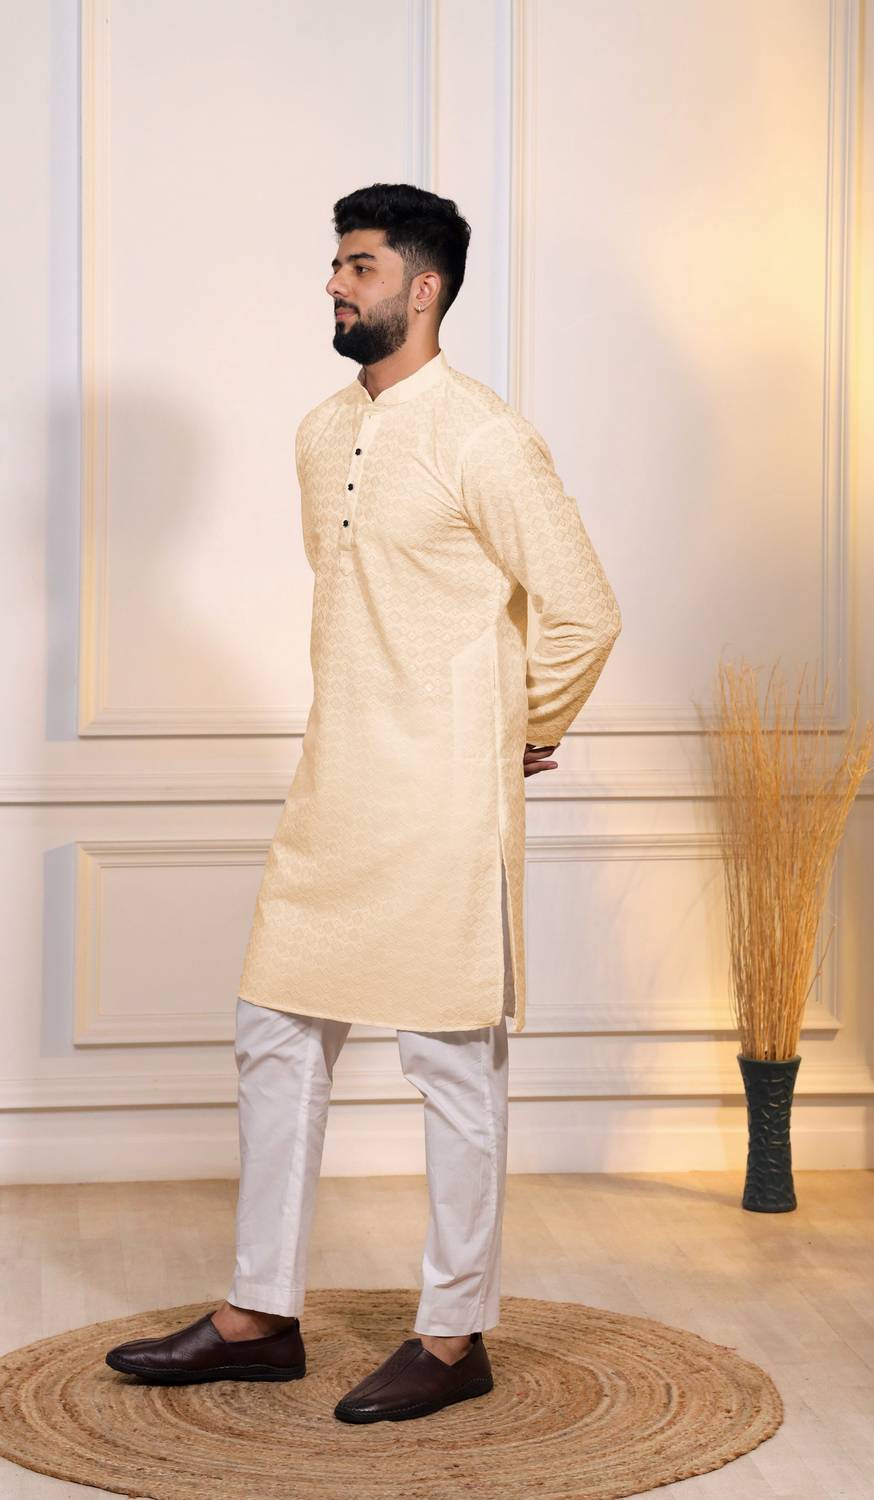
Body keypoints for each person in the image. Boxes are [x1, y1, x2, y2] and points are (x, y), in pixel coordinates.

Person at [105, 183, 622, 1422]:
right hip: (336, 782)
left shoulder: (485, 438)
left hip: (445, 799)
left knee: (451, 1062)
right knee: (274, 1033)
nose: (335, 284)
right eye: (335, 265)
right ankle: (258, 1315)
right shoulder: (319, 431)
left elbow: (584, 611)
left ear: (422, 288)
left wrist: (521, 732)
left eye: (360, 266)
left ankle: (452, 1337)